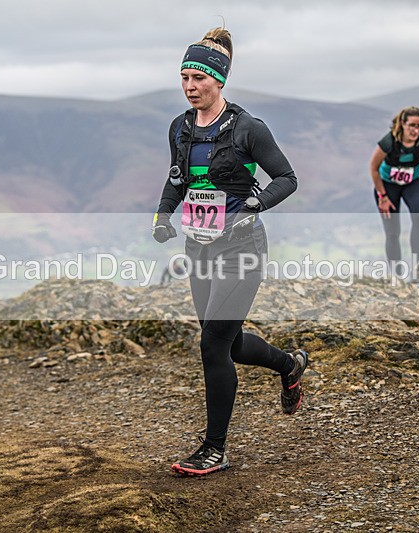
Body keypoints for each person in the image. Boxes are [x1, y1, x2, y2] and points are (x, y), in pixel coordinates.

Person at [151, 27, 308, 476]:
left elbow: (287, 178)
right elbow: (177, 178)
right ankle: (289, 365)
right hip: (199, 247)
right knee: (231, 343)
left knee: (212, 344)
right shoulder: (179, 128)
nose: (189, 86)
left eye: (197, 77)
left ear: (218, 80)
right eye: (183, 77)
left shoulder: (248, 129)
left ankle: (214, 449)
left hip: (243, 249)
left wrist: (257, 203)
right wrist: (164, 215)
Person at [369, 106, 419, 283]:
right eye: (412, 125)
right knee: (393, 232)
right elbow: (373, 168)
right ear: (403, 123)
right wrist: (382, 197)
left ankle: (417, 268)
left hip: (413, 182)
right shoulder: (389, 141)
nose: (416, 130)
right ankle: (396, 275)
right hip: (387, 185)